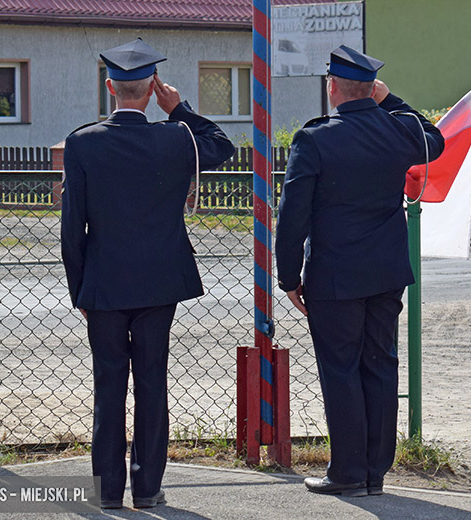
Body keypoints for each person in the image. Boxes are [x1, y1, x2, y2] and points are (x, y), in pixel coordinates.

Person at [61, 38, 234, 509]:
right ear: (152, 87)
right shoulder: (176, 137)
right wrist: (178, 108)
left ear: (110, 87)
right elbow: (222, 146)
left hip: (103, 284)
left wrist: (79, 290)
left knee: (108, 386)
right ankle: (148, 488)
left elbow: (72, 227)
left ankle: (107, 491)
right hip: (160, 283)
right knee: (152, 383)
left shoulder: (82, 143)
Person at [275, 45, 444, 497]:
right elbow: (435, 138)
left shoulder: (315, 139)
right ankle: (374, 472)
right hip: (386, 272)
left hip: (335, 276)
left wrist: (289, 276)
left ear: (332, 87)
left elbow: (293, 216)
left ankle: (348, 472)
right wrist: (390, 100)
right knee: (380, 366)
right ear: (371, 89)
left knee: (341, 370)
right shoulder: (398, 130)